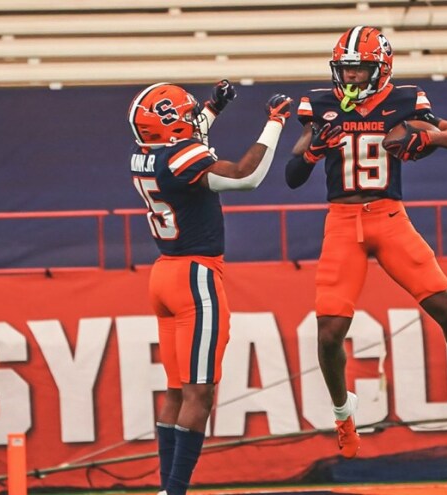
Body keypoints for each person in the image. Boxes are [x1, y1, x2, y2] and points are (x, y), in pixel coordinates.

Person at [285, 26, 447, 458]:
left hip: (389, 218)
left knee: (446, 309)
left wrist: (428, 136)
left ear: (381, 69)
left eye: (360, 70)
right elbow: (292, 177)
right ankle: (344, 414)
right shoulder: (322, 106)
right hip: (342, 222)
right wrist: (311, 152)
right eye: (345, 71)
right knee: (328, 333)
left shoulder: (405, 102)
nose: (351, 79)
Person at [127, 80, 292, 495]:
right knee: (199, 393)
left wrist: (213, 108)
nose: (191, 120)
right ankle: (176, 491)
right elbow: (244, 176)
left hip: (163, 274)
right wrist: (274, 123)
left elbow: (187, 134)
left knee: (176, 391)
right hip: (195, 277)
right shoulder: (181, 157)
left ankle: (167, 488)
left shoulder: (144, 155)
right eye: (184, 116)